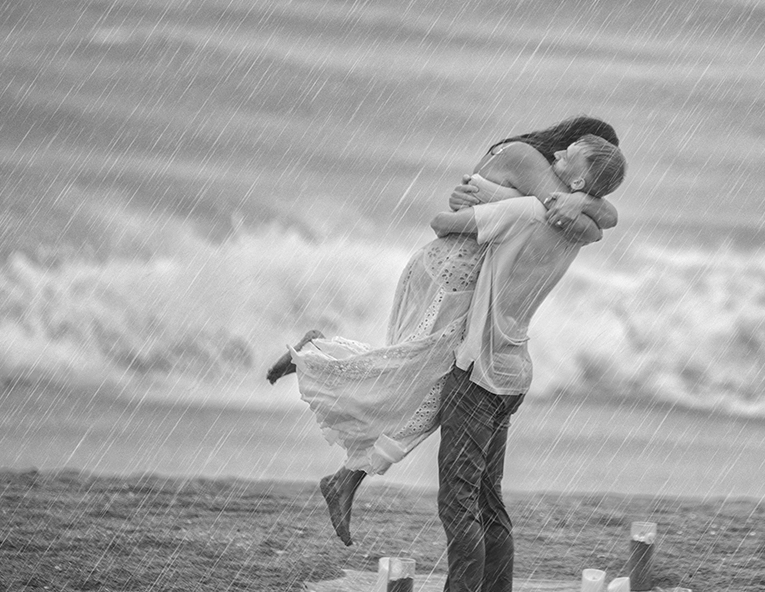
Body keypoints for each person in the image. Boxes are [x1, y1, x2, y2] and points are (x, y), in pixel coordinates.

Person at [265, 117, 620, 547]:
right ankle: (318, 360)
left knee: (424, 392)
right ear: (570, 143)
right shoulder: (525, 159)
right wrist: (591, 205)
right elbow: (575, 222)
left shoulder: (543, 175)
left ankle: (343, 472)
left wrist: (594, 205)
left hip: (469, 287)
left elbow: (588, 220)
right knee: (416, 386)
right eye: (589, 179)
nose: (588, 193)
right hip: (449, 276)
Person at [392, 135, 627, 592]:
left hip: (477, 373)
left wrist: (483, 196)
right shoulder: (575, 232)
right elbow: (596, 216)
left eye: (571, 155)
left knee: (459, 502)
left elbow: (441, 223)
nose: (559, 154)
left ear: (577, 180)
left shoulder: (522, 211)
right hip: (515, 372)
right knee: (489, 501)